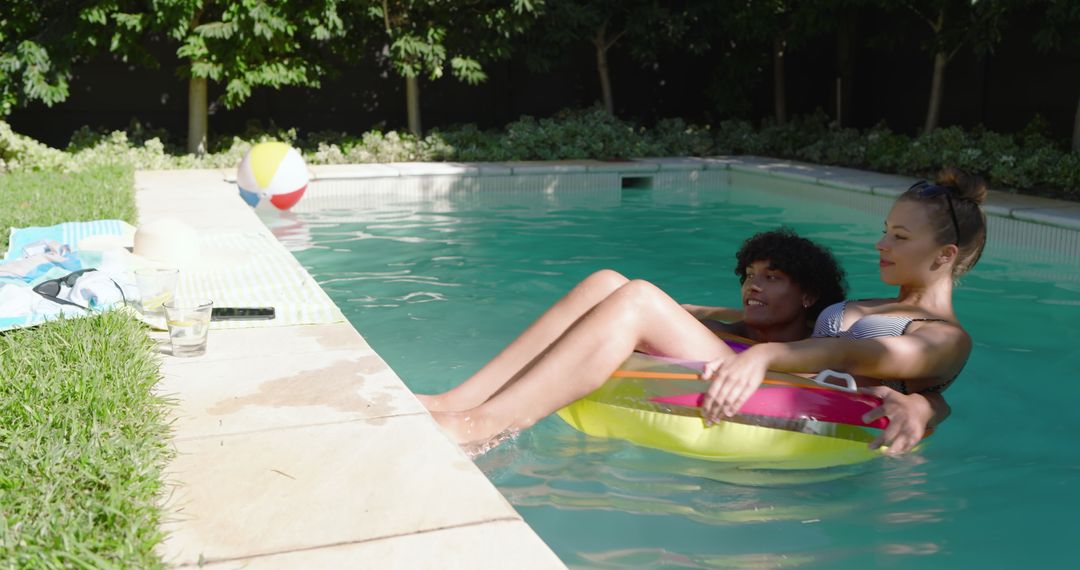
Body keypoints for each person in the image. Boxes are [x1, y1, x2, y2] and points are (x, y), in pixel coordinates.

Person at [418, 227, 947, 453]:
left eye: (773, 277)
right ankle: (458, 401)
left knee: (639, 298)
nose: (753, 285)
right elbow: (683, 310)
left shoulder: (814, 340)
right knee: (610, 284)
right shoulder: (739, 326)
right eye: (750, 274)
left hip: (789, 384)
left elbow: (921, 378)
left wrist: (925, 407)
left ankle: (480, 427)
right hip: (740, 357)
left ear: (809, 296)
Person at [700, 168, 986, 454]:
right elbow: (800, 323)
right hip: (780, 397)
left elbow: (847, 354)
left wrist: (927, 405)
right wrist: (707, 312)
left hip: (814, 430)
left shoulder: (947, 337)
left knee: (651, 300)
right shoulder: (875, 303)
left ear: (945, 254)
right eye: (886, 231)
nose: (881, 244)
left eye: (900, 237)